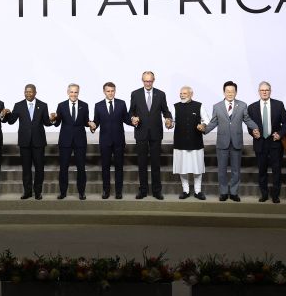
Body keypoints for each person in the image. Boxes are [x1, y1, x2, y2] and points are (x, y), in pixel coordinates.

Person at [200, 81, 259, 202]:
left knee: (236, 170)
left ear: (236, 92)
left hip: (236, 142)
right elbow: (213, 122)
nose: (230, 93)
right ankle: (223, 192)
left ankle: (233, 192)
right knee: (222, 170)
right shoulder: (217, 106)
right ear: (224, 92)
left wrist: (256, 128)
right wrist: (204, 130)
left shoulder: (242, 105)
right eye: (228, 91)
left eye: (232, 91)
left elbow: (247, 119)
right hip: (222, 142)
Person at [128, 71, 172, 200]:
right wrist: (133, 118)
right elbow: (131, 111)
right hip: (141, 132)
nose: (148, 83)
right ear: (142, 80)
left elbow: (166, 111)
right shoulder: (135, 94)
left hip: (156, 133)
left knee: (155, 163)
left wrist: (168, 119)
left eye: (150, 81)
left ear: (154, 80)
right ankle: (143, 190)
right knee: (142, 163)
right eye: (145, 81)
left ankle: (157, 191)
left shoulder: (161, 94)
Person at [5, 84, 53, 200]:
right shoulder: (18, 105)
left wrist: (52, 119)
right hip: (24, 142)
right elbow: (11, 121)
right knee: (26, 169)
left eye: (31, 92)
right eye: (26, 92)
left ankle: (38, 192)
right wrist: (6, 114)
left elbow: (46, 122)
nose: (28, 94)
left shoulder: (43, 105)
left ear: (35, 92)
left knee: (39, 168)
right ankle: (27, 192)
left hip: (38, 142)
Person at [247, 81, 286, 203]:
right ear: (259, 92)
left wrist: (280, 134)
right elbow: (250, 126)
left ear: (270, 91)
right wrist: (253, 132)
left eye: (266, 90)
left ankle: (275, 195)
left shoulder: (279, 105)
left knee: (276, 170)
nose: (264, 92)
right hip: (260, 142)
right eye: (262, 90)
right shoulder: (252, 107)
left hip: (275, 142)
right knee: (262, 171)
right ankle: (264, 195)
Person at [89, 82, 133, 199]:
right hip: (105, 141)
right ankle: (106, 191)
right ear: (104, 91)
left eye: (112, 91)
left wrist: (134, 121)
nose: (110, 93)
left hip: (119, 140)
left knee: (119, 167)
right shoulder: (98, 105)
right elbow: (96, 122)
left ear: (115, 91)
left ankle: (118, 191)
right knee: (105, 167)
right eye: (108, 91)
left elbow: (126, 119)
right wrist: (93, 126)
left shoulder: (121, 103)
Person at [171, 86, 210, 200]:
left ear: (191, 94)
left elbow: (207, 120)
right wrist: (168, 123)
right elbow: (171, 122)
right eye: (181, 93)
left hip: (195, 142)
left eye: (184, 93)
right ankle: (185, 190)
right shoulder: (175, 106)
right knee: (182, 168)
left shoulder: (199, 105)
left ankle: (198, 191)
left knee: (198, 168)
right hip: (180, 142)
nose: (182, 95)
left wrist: (203, 125)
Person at [54, 83, 90, 200]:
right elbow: (57, 123)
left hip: (80, 141)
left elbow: (86, 122)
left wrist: (91, 124)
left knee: (81, 168)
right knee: (63, 168)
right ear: (68, 92)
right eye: (72, 92)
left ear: (78, 93)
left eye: (76, 92)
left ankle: (81, 192)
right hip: (65, 141)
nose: (73, 94)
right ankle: (63, 192)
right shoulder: (61, 105)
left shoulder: (84, 105)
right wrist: (53, 119)